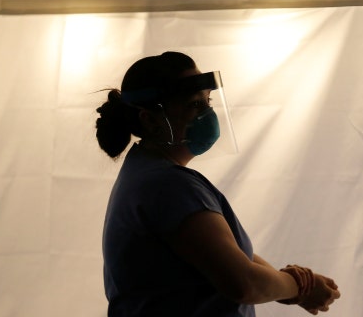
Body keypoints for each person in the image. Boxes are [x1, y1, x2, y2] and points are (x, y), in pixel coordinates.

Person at [95, 51, 340, 317]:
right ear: (151, 119)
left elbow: (226, 255)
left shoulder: (147, 172)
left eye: (208, 101)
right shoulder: (168, 186)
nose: (208, 113)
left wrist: (290, 283)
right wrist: (299, 287)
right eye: (194, 104)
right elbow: (243, 283)